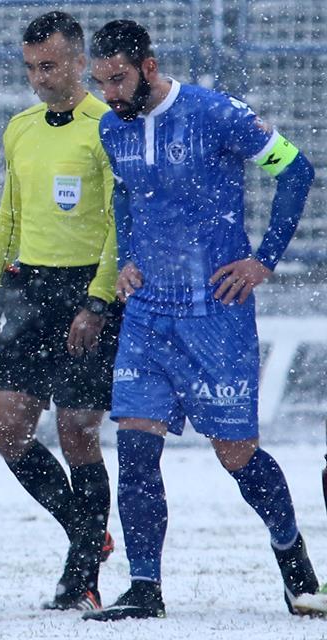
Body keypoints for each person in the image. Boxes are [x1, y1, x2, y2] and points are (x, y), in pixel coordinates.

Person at [83, 19, 324, 621]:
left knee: (236, 454)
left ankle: (295, 565)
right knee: (135, 450)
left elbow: (296, 170)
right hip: (147, 314)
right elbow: (124, 193)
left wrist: (262, 260)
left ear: (148, 65)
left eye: (117, 80)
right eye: (100, 82)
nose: (109, 94)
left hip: (216, 314)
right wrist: (128, 258)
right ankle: (144, 589)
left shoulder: (216, 113)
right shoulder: (113, 128)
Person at [0, 11, 119, 613]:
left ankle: (81, 573)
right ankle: (87, 532)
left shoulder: (106, 126)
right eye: (30, 67)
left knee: (79, 432)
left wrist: (98, 301)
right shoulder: (21, 128)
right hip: (32, 290)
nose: (38, 78)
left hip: (88, 292)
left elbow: (118, 225)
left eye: (49, 66)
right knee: (7, 431)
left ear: (79, 62)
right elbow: (8, 218)